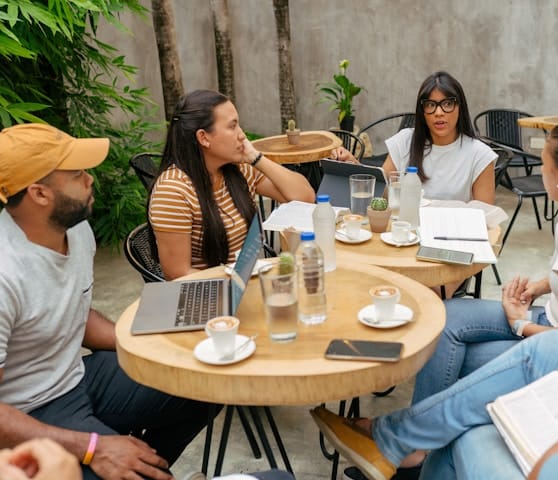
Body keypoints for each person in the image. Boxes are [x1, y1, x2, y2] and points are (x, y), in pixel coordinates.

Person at [0, 124, 291, 480]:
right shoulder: (5, 272)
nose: (90, 179)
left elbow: (69, 312)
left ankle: (150, 465)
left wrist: (145, 340)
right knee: (125, 465)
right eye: (76, 174)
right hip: (30, 412)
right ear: (39, 194)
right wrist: (95, 448)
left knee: (206, 377)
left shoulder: (74, 231)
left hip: (78, 378)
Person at [311, 259, 558, 479]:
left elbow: (553, 471)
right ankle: (396, 439)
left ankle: (396, 442)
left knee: (478, 426)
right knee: (552, 346)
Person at [412, 117, 558, 404]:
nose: (540, 170)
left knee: (444, 354)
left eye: (543, 163)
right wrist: (538, 287)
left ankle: (415, 438)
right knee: (443, 316)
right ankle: (424, 431)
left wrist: (520, 325)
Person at [149, 89, 314, 280]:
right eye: (232, 126)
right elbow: (178, 274)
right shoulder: (172, 191)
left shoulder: (237, 170)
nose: (242, 135)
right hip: (210, 297)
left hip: (243, 283)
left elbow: (305, 197)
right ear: (204, 138)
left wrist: (256, 158)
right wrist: (234, 286)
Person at [331, 71, 497, 204]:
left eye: (447, 104)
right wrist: (353, 164)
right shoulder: (405, 141)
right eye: (431, 105)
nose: (439, 113)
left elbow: (485, 218)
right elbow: (381, 189)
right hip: (405, 234)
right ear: (422, 111)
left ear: (460, 106)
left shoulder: (479, 155)